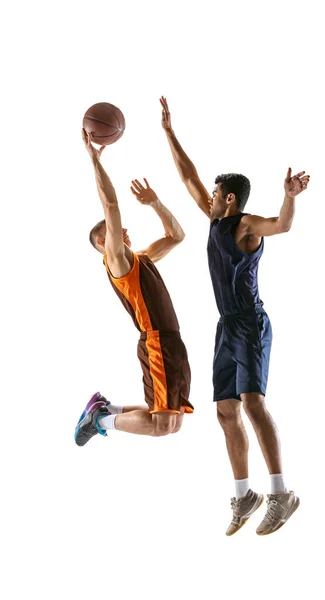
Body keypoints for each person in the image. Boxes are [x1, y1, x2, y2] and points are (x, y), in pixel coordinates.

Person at [160, 97, 310, 536]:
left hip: (249, 322)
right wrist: (169, 132)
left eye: (213, 195)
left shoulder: (244, 224)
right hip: (226, 326)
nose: (205, 198)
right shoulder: (215, 223)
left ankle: (282, 493)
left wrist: (288, 197)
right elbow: (187, 176)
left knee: (252, 403)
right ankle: (244, 494)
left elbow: (281, 226)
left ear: (228, 199)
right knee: (226, 411)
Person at [74, 129, 193, 447]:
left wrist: (156, 203)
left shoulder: (140, 259)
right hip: (157, 343)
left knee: (172, 423)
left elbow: (177, 236)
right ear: (104, 242)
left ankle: (105, 410)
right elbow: (111, 206)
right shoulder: (117, 262)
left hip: (172, 342)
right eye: (113, 231)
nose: (124, 229)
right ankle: (100, 420)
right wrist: (94, 161)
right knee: (162, 424)